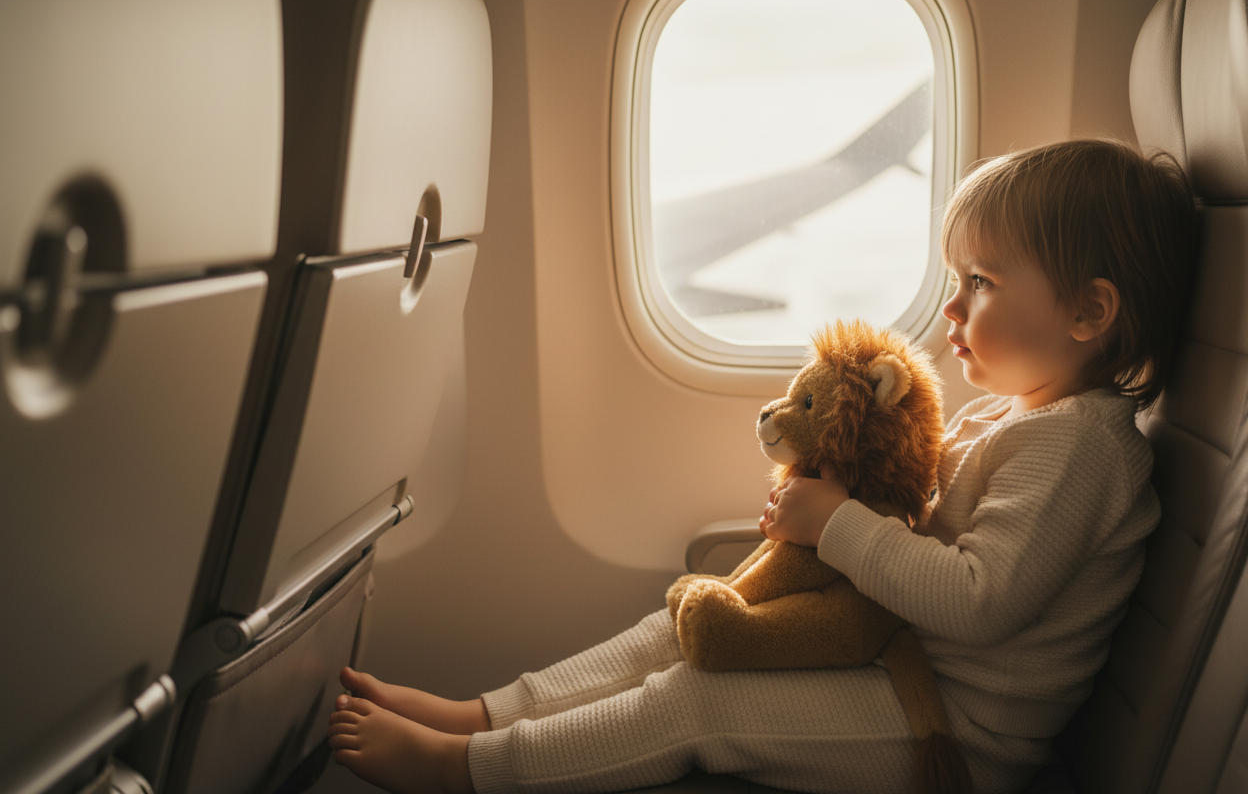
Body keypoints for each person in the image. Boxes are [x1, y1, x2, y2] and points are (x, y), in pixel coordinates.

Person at [325, 139, 1199, 794]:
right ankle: (484, 715)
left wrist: (836, 524)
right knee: (689, 626)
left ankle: (470, 772)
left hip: (959, 730)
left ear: (1088, 312)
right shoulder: (1018, 417)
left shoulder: (1083, 448)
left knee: (695, 703)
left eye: (982, 283)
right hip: (900, 667)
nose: (952, 306)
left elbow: (976, 604)